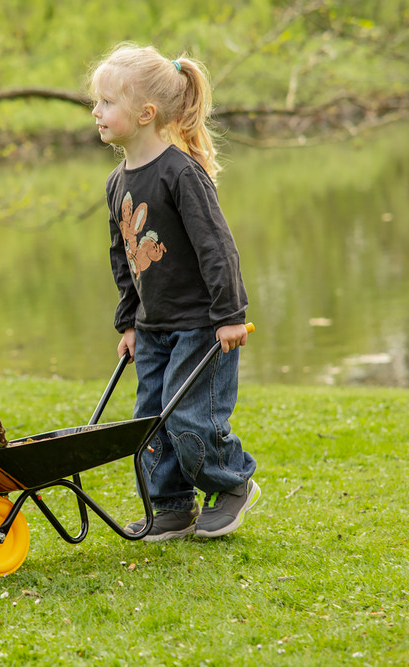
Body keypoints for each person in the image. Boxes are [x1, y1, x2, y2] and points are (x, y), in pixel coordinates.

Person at [87, 42, 259, 541]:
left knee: (189, 422)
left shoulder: (182, 173)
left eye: (107, 103)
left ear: (145, 113)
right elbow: (124, 256)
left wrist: (230, 314)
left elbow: (217, 248)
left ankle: (232, 486)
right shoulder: (118, 181)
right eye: (96, 102)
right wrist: (128, 322)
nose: (96, 111)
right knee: (149, 425)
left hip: (202, 325)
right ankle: (172, 506)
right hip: (154, 327)